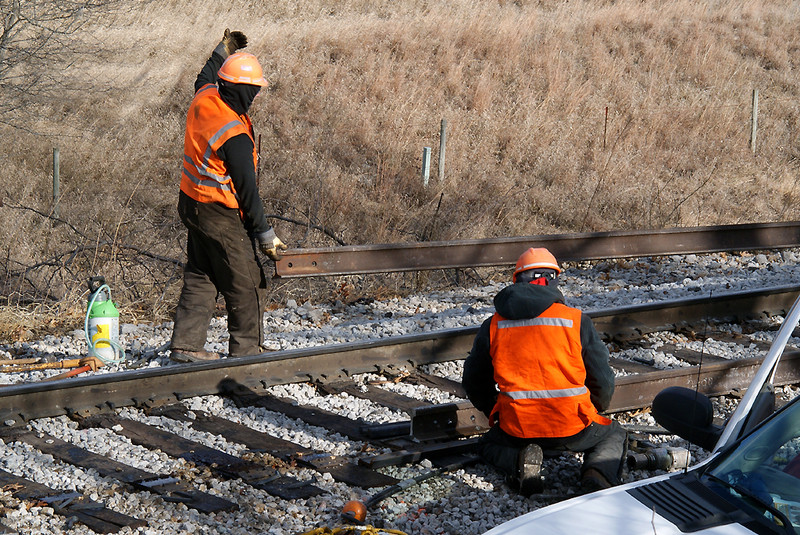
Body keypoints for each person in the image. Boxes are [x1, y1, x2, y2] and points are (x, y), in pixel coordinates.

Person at [462, 247, 627, 496]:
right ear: (554, 280)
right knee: (613, 434)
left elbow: (474, 381)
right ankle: (597, 473)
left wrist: (494, 410)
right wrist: (595, 407)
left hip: (517, 428)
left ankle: (520, 462)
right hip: (572, 426)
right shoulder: (575, 320)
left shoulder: (493, 325)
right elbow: (602, 380)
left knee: (486, 444)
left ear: (517, 281)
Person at [169, 29, 287, 363]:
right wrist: (265, 234)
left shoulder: (205, 96)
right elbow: (247, 190)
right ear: (245, 90)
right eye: (254, 90)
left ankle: (186, 346)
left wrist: (223, 51)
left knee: (202, 273)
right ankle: (247, 353)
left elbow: (205, 75)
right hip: (216, 211)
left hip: (190, 203)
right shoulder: (234, 135)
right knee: (248, 282)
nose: (255, 96)